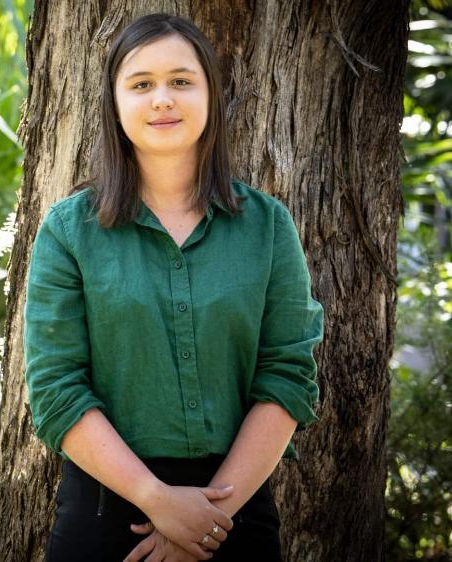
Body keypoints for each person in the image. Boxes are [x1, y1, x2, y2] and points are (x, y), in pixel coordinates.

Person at [23, 13, 325, 562]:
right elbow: (55, 388)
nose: (162, 98)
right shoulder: (68, 232)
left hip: (236, 505)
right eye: (141, 84)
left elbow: (287, 375)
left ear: (210, 94)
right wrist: (158, 500)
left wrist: (208, 519)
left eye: (181, 81)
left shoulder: (268, 226)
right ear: (115, 103)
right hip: (104, 504)